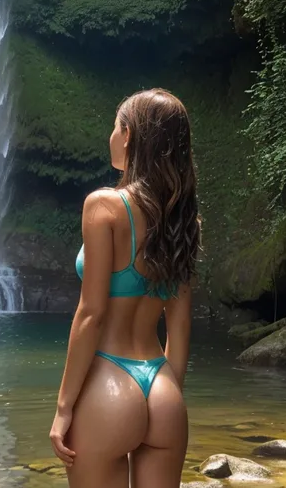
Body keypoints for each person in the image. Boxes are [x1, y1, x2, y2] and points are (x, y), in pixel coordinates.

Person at [50, 89, 201, 488]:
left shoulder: (105, 206)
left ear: (129, 135)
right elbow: (181, 326)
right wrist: (168, 399)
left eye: (115, 127)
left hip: (109, 382)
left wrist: (64, 407)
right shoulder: (182, 219)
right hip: (164, 388)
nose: (111, 137)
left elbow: (91, 313)